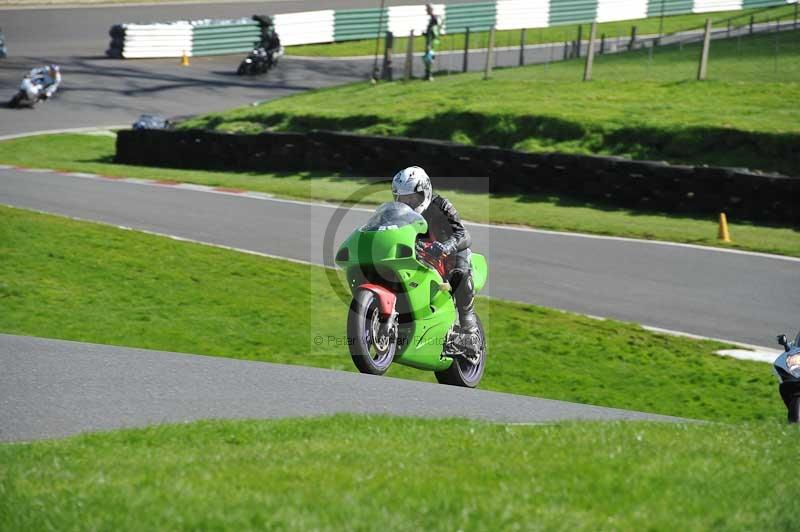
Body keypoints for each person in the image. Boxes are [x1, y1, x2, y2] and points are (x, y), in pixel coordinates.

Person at [392, 166, 479, 343]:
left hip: (448, 255)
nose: (408, 203)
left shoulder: (441, 205)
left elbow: (463, 234)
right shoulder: (398, 214)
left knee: (460, 274)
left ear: (425, 192)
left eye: (412, 198)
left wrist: (447, 246)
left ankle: (469, 329)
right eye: (402, 199)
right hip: (420, 256)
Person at [423, 3, 441, 81]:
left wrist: (429, 35)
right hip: (430, 40)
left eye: (427, 9)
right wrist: (426, 34)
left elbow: (435, 31)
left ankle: (429, 75)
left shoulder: (434, 19)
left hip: (432, 41)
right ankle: (428, 74)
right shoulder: (432, 18)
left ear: (430, 9)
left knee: (428, 58)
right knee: (426, 58)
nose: (426, 10)